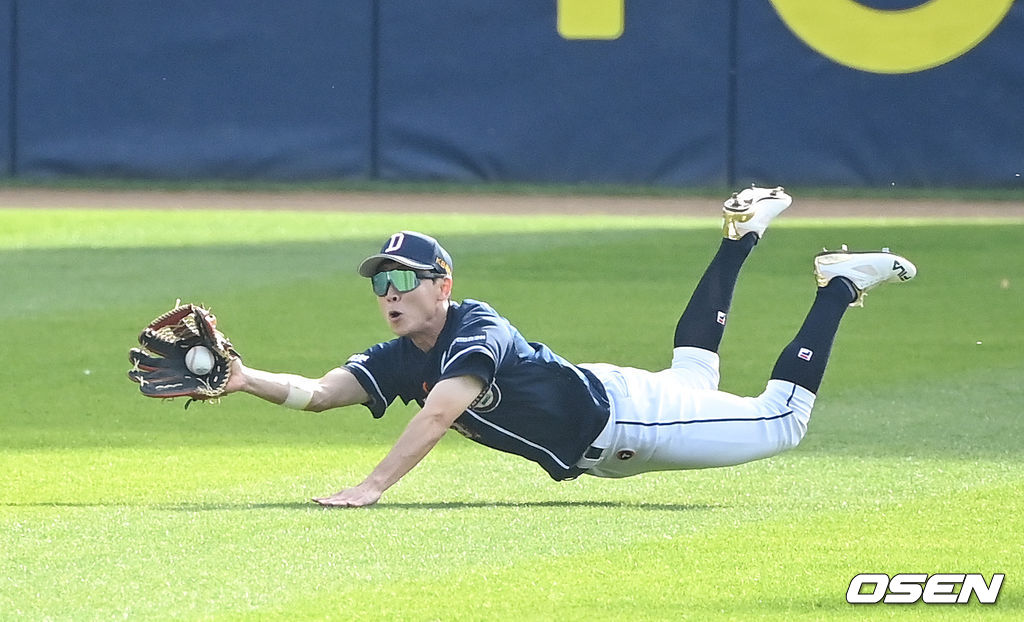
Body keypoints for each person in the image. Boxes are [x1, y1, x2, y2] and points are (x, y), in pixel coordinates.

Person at [222, 187, 916, 507]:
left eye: (405, 279)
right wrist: (242, 377)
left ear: (444, 285)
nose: (390, 292)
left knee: (782, 422)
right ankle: (741, 236)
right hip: (607, 404)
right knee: (694, 378)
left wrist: (372, 487)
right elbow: (319, 395)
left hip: (622, 422)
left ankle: (838, 284)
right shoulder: (400, 352)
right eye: (382, 281)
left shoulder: (477, 328)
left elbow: (438, 414)